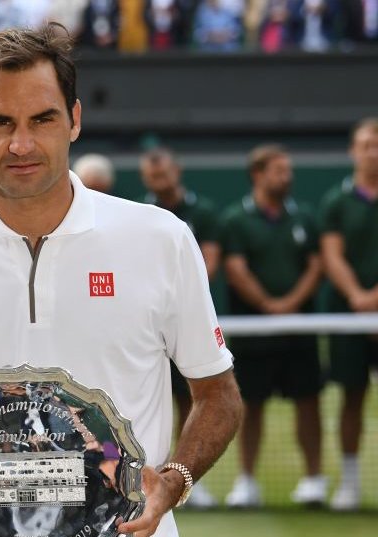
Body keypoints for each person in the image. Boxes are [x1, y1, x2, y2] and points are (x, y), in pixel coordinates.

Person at [0, 25, 241, 537]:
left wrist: (172, 481)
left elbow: (218, 396)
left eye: (42, 118)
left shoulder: (162, 239)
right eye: (0, 121)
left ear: (74, 120)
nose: (21, 144)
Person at [219, 144, 326, 507]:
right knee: (251, 404)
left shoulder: (306, 218)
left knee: (309, 402)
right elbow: (235, 269)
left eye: (289, 170)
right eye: (279, 170)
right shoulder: (235, 219)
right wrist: (268, 305)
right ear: (258, 174)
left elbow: (315, 265)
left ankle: (315, 480)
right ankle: (247, 481)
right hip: (254, 335)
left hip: (299, 331)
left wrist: (290, 305)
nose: (287, 176)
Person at [139, 144, 221, 508]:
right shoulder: (138, 215)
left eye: (164, 172)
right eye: (153, 175)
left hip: (189, 321)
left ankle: (187, 477)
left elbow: (207, 266)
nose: (159, 179)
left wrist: (180, 301)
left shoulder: (202, 212)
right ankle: (146, 477)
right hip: (149, 327)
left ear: (178, 170)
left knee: (195, 398)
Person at [319, 116, 378, 511]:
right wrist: (359, 296)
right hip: (347, 316)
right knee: (351, 399)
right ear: (353, 151)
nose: (373, 152)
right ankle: (350, 484)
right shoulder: (335, 202)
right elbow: (331, 254)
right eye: (366, 145)